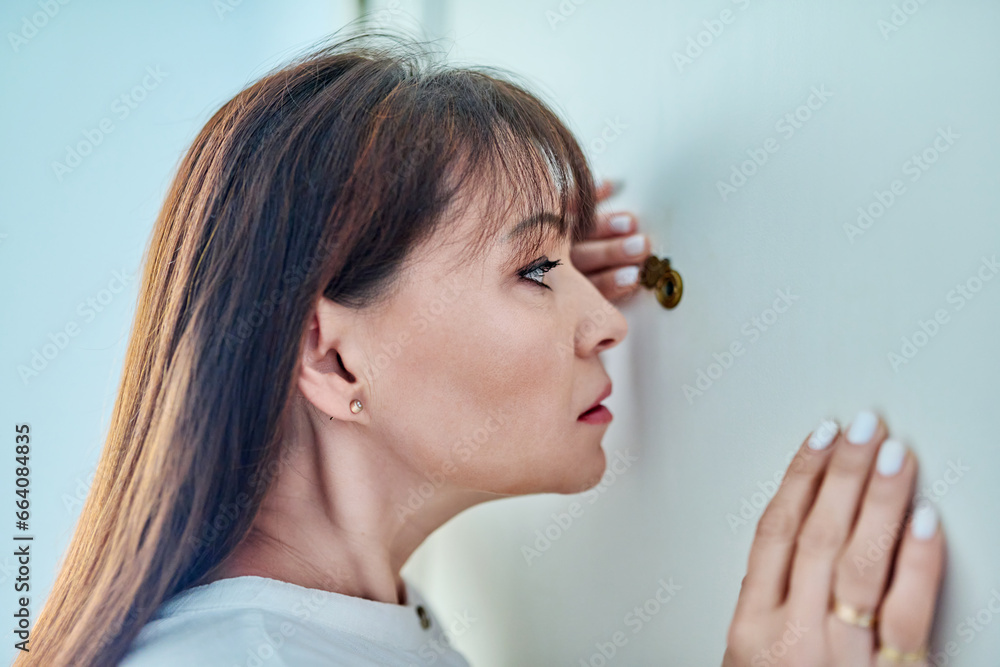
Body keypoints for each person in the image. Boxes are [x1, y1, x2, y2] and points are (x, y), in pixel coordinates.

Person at [17, 31, 944, 667]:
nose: (610, 319)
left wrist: (530, 273)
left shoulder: (343, 625)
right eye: (540, 270)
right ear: (336, 361)